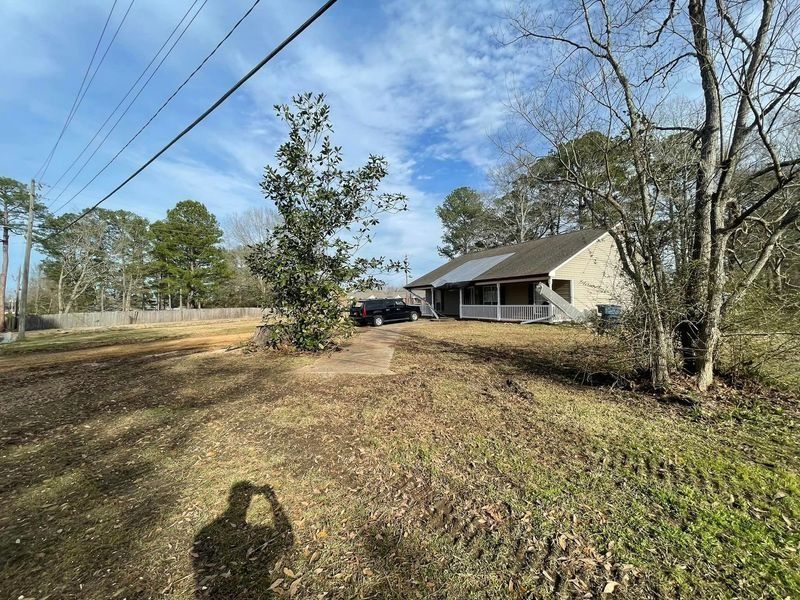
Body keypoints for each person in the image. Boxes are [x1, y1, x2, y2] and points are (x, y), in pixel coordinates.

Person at [192, 482, 293, 598]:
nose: (246, 502)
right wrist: (273, 500)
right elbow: (287, 541)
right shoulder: (206, 535)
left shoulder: (204, 534)